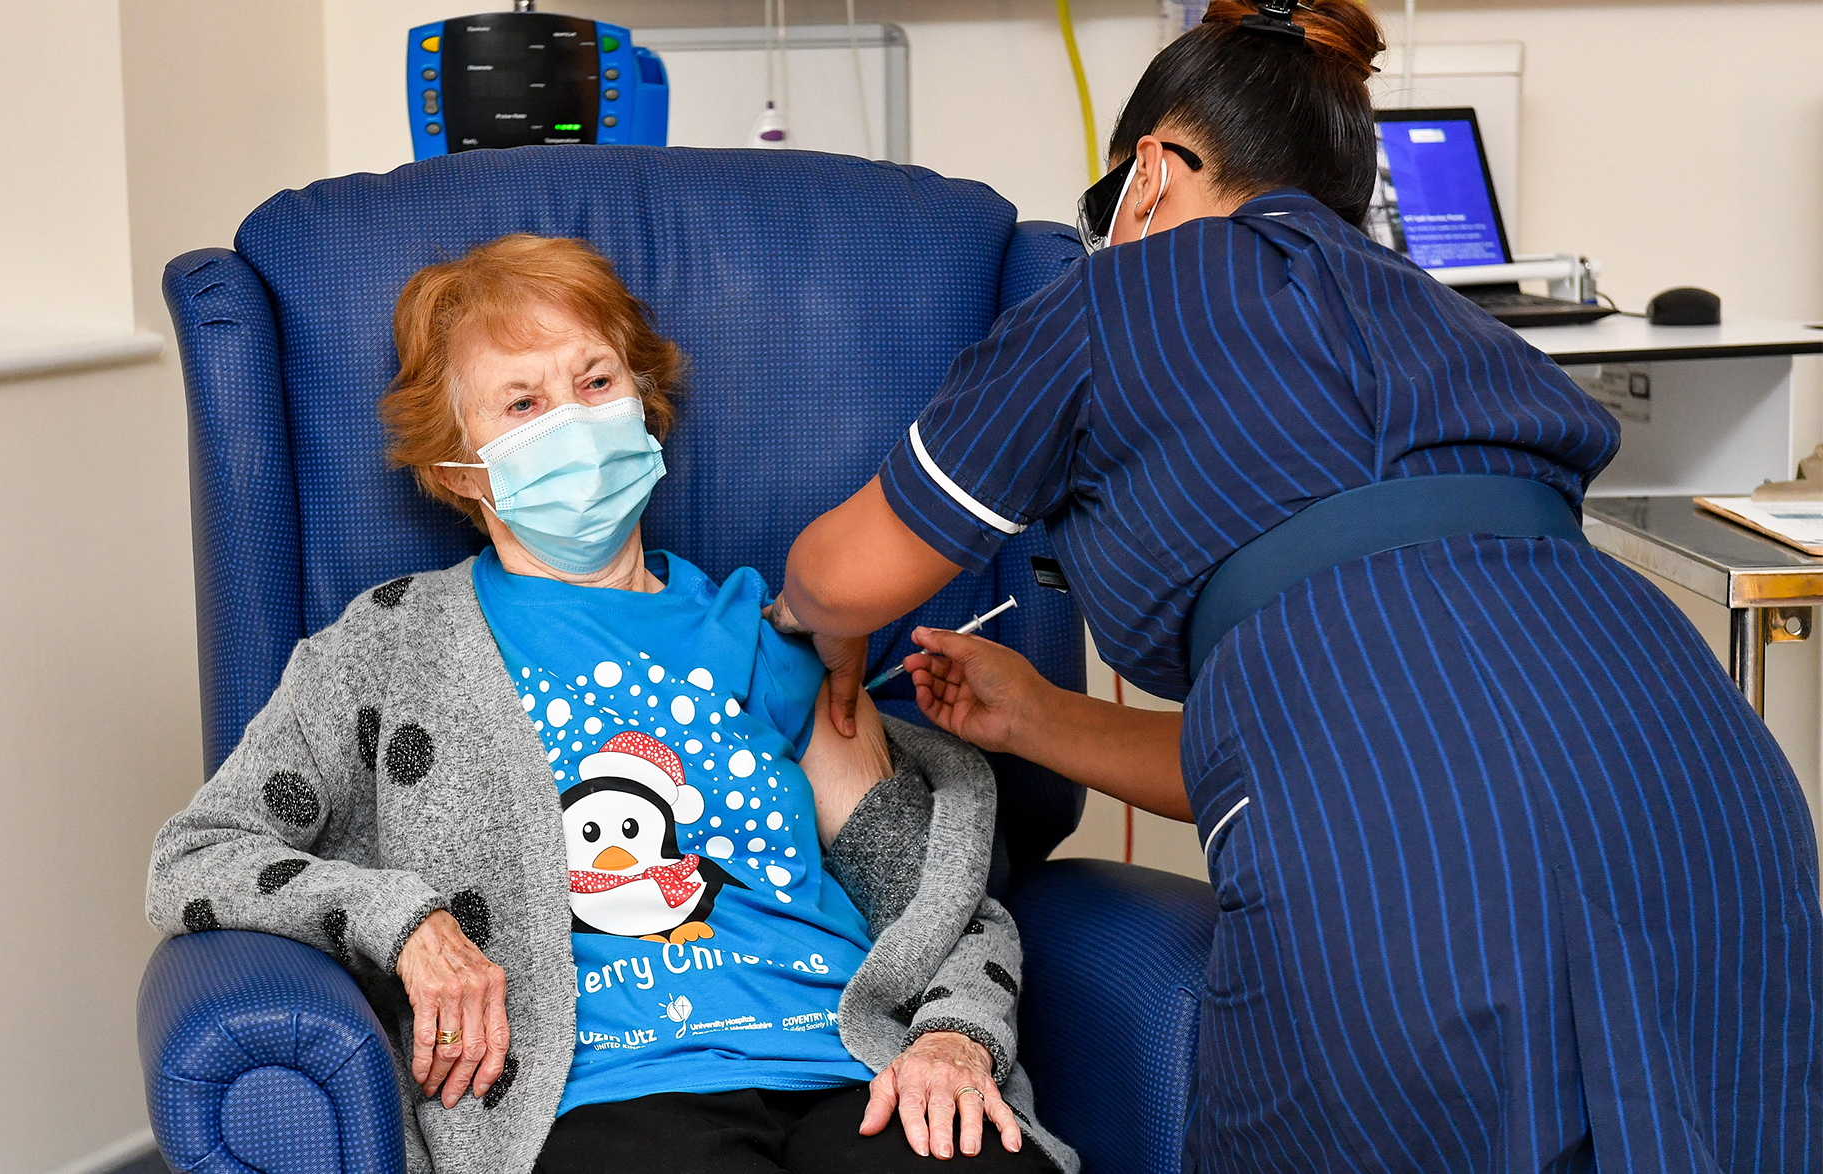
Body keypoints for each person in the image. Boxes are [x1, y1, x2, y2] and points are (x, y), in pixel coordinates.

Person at [774, 2, 1823, 1171]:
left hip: (1410, 855)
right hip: (1706, 798)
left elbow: (841, 572)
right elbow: (1332, 725)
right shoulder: (1445, 320)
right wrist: (1033, 716)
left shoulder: (1114, 298)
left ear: (1152, 175)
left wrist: (805, 629)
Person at [146, 235, 1074, 1174]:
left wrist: (955, 1038)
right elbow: (197, 858)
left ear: (644, 404)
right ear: (462, 467)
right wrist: (406, 922)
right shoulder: (389, 650)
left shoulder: (768, 635)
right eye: (522, 404)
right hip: (607, 1094)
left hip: (849, 1065)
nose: (573, 424)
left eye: (595, 383)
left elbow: (934, 899)